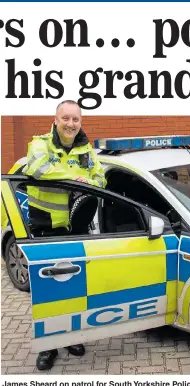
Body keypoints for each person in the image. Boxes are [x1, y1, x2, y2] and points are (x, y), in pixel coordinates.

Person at [21, 100, 106, 371]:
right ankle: (48, 347)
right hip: (46, 227)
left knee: (73, 288)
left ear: (81, 122)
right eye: (65, 118)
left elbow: (101, 179)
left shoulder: (85, 148)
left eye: (76, 119)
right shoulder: (40, 144)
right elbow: (37, 168)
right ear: (56, 119)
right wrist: (75, 178)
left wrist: (89, 181)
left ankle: (72, 337)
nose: (71, 124)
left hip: (76, 227)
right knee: (48, 291)